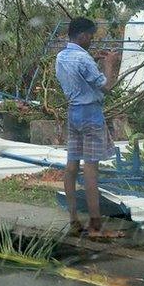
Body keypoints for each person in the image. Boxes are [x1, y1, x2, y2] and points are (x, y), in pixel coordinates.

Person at [55, 17, 123, 238]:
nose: (92, 41)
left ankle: (74, 220)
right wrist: (109, 64)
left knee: (71, 167)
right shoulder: (84, 59)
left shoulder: (61, 56)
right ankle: (95, 226)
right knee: (91, 169)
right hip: (90, 113)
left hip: (73, 112)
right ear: (83, 35)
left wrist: (93, 59)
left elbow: (77, 76)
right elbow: (106, 87)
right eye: (91, 37)